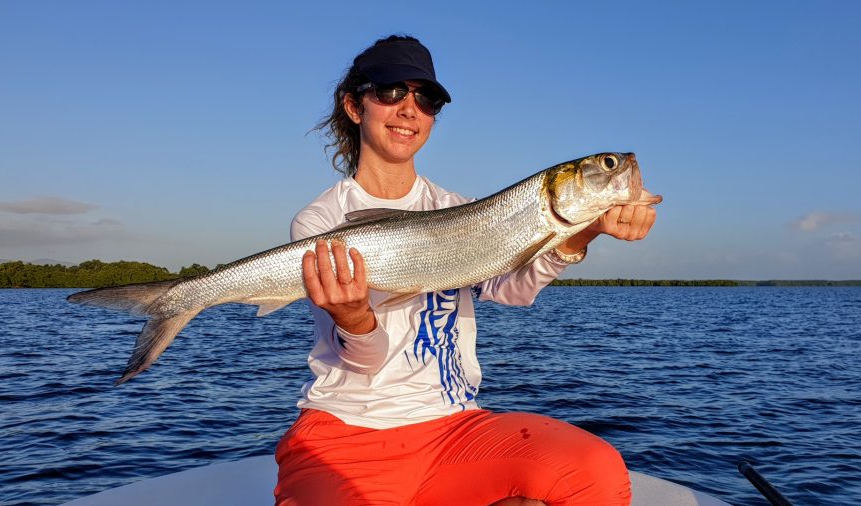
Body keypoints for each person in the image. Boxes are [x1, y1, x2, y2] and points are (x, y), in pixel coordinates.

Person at [274, 35, 656, 505]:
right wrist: (354, 318)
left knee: (596, 473)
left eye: (427, 98)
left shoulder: (459, 208)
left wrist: (582, 233)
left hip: (455, 425)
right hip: (349, 428)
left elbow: (511, 289)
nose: (410, 109)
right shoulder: (320, 223)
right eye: (391, 91)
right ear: (354, 106)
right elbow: (365, 360)